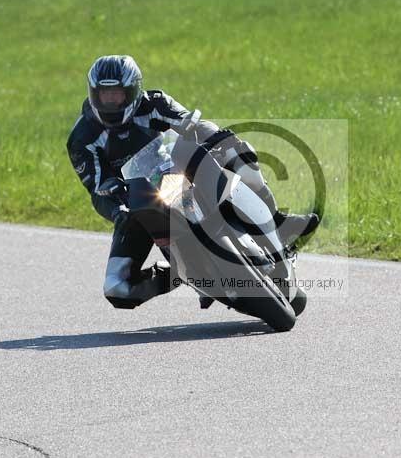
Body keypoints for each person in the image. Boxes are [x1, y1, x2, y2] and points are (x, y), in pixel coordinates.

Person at [67, 55, 319, 310]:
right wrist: (117, 210)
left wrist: (220, 139)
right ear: (93, 94)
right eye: (104, 95)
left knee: (239, 153)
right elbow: (97, 188)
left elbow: (190, 124)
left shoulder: (154, 103)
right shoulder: (82, 138)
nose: (110, 102)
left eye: (117, 95)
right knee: (117, 288)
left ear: (133, 90)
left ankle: (277, 222)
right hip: (135, 204)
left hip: (171, 175)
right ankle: (173, 275)